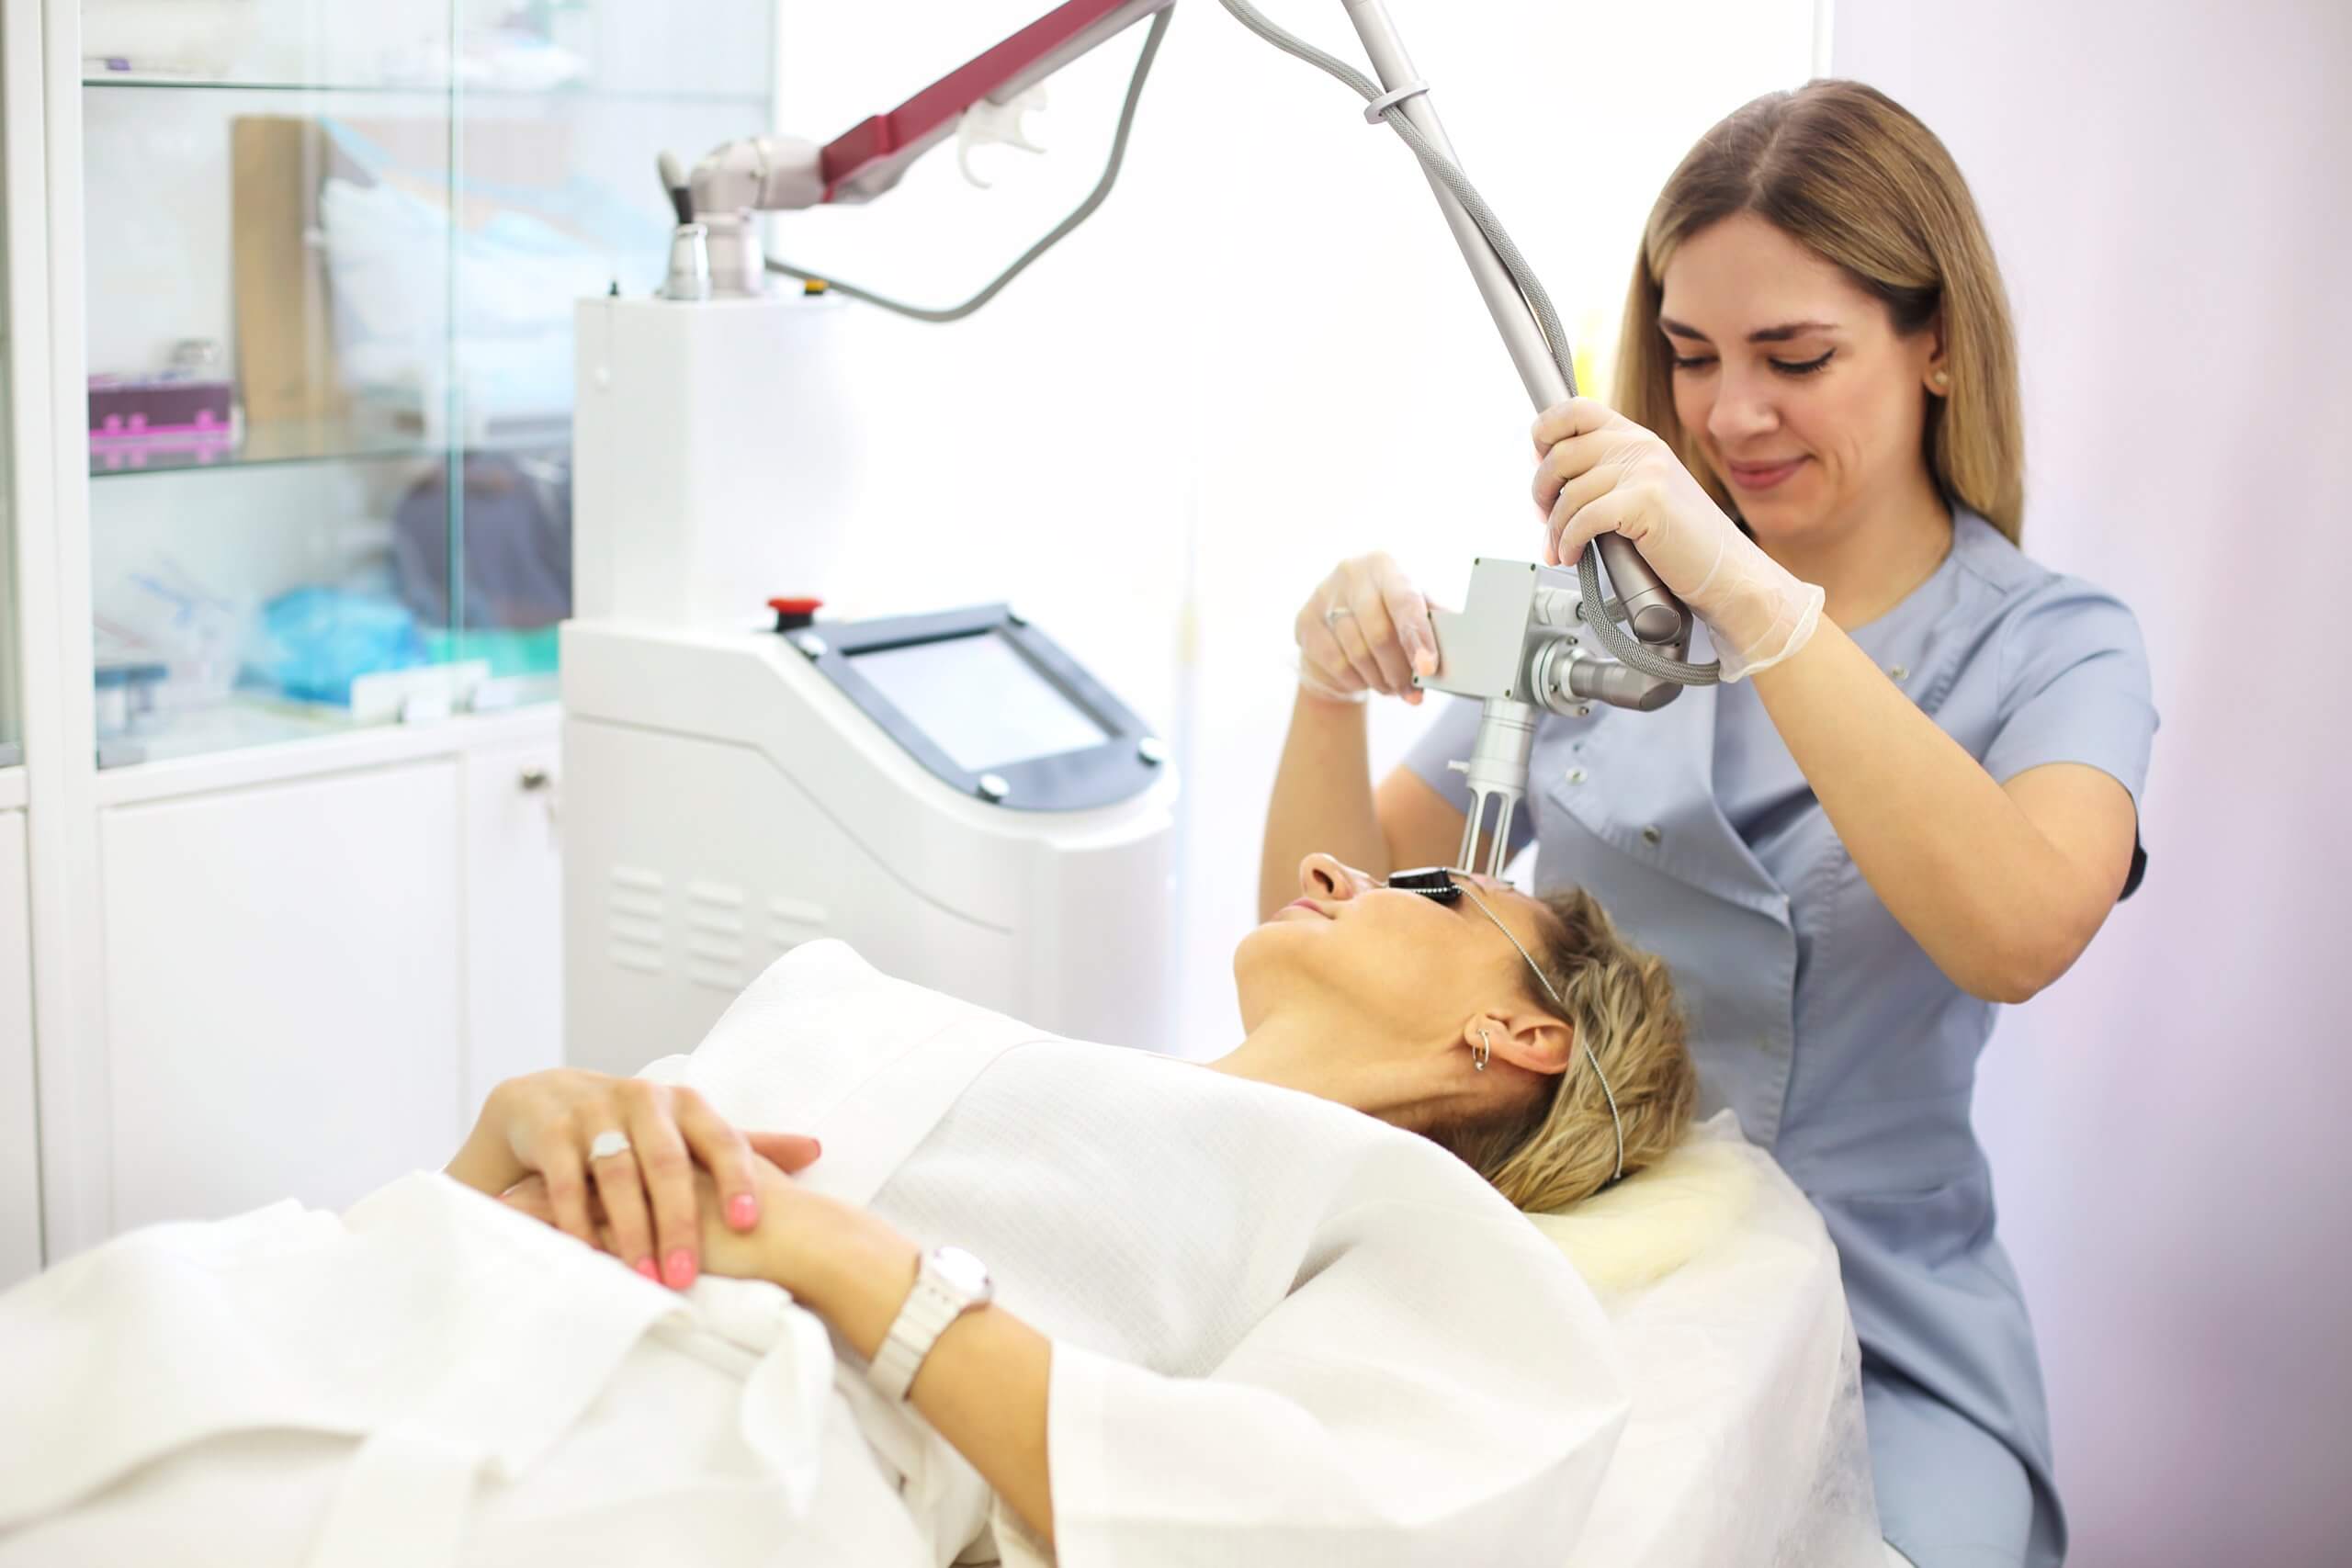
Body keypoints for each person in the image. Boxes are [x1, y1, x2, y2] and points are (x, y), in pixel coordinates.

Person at [1264, 80, 2154, 1568]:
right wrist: (1321, 690)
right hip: (1574, 1259)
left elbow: (2018, 930)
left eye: (1795, 358)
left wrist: (1748, 599)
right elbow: (1324, 927)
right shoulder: (1599, 608)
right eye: (1687, 359)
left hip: (1883, 1325)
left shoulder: (2061, 647)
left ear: (1938, 344)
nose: (1729, 417)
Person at [0, 854, 1707, 1567]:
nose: (1343, 866)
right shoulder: (1038, 1058)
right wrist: (508, 1148)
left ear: (1522, 1033)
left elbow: (1322, 1524)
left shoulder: (1399, 1218)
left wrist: (829, 1258)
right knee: (112, 1379)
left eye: (1432, 888)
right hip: (415, 1296)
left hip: (711, 1464)